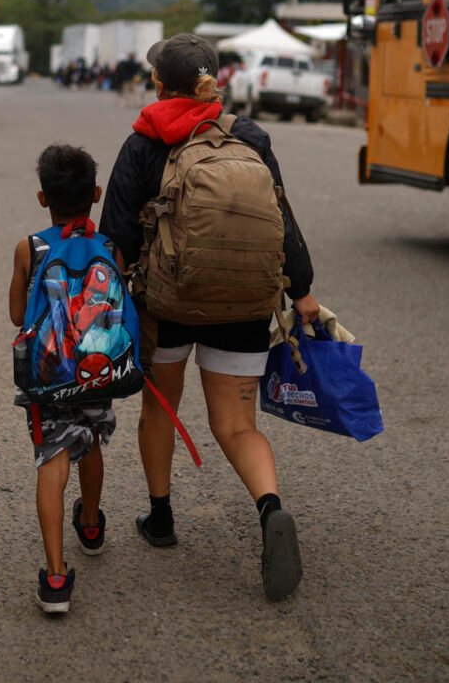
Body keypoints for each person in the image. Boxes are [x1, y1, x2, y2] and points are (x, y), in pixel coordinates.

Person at [99, 33, 319, 601]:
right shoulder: (250, 138)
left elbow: (117, 237)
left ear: (158, 82)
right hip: (243, 303)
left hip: (167, 305)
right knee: (238, 426)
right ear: (214, 81)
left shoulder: (145, 141)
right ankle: (269, 508)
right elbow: (282, 218)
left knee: (161, 409)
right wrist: (304, 292)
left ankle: (161, 517)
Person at [8, 144, 116, 614]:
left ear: (41, 198)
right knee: (90, 439)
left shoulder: (30, 247)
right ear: (96, 192)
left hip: (48, 374)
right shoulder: (110, 246)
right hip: (98, 368)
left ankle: (55, 579)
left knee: (53, 462)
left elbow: (17, 313)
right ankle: (90, 524)